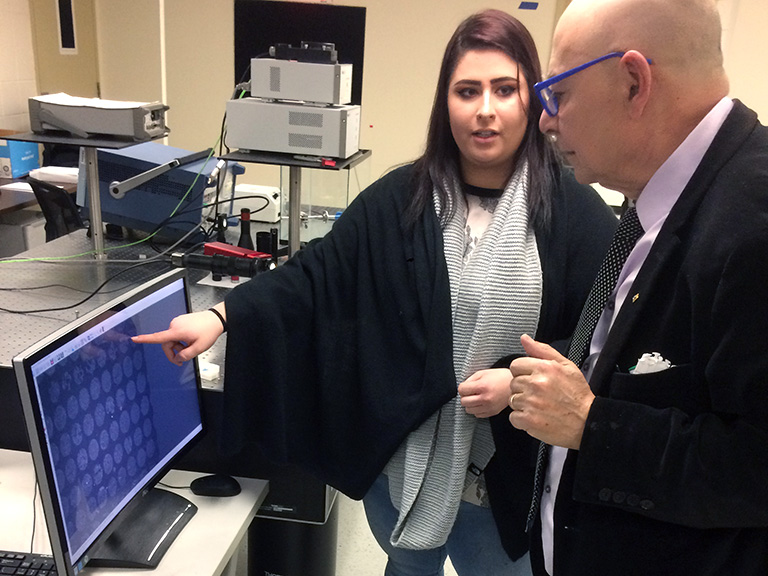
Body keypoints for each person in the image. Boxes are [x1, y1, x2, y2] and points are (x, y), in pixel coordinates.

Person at [134, 9, 616, 576]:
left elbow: (605, 335)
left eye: (504, 89)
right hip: (403, 469)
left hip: (505, 480)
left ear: (531, 100)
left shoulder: (574, 211)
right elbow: (317, 275)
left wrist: (518, 379)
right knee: (407, 568)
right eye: (467, 91)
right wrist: (221, 316)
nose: (485, 109)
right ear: (446, 103)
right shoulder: (402, 198)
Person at [506, 0, 768, 574]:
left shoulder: (753, 223)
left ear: (633, 82)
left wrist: (592, 425)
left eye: (559, 94)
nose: (545, 120)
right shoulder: (653, 199)